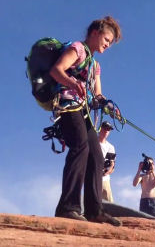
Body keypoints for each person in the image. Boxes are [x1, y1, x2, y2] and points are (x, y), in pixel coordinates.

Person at [49, 16, 122, 226]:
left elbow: (98, 95)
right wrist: (72, 82)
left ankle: (94, 210)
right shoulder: (78, 49)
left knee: (97, 155)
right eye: (107, 39)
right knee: (80, 146)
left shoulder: (96, 66)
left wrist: (108, 106)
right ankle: (68, 207)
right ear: (95, 33)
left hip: (85, 111)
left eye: (110, 42)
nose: (108, 44)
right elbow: (57, 70)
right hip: (68, 105)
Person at [99, 121, 115, 203]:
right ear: (100, 129)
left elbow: (112, 165)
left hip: (104, 179)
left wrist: (107, 172)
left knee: (109, 203)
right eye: (105, 128)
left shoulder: (110, 147)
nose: (106, 131)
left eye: (108, 130)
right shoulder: (92, 142)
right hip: (92, 177)